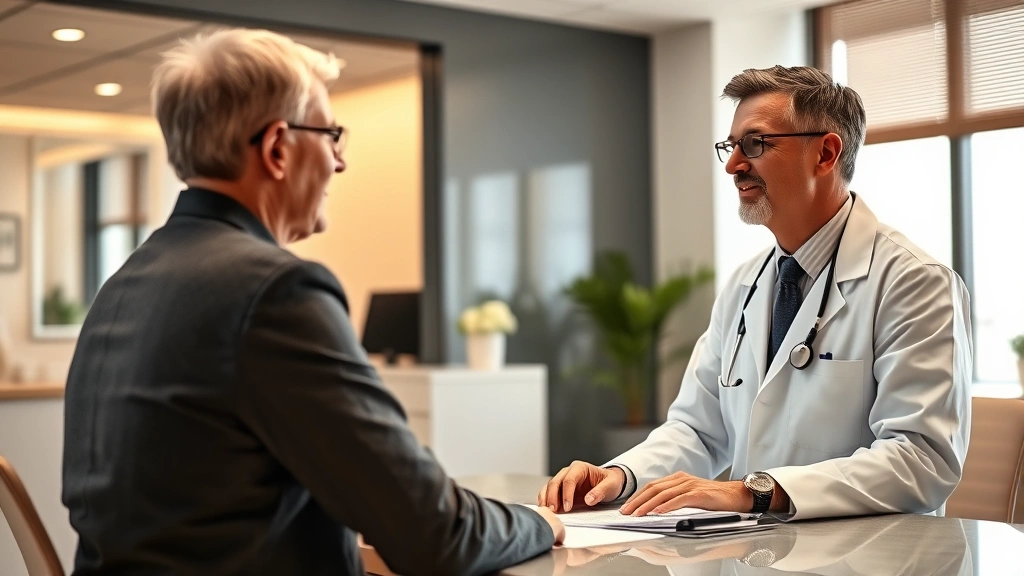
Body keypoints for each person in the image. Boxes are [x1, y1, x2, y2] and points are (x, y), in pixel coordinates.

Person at [62, 28, 562, 575]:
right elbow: (436, 537)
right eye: (331, 135)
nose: (339, 162)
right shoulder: (274, 292)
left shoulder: (123, 285)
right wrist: (541, 522)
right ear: (278, 148)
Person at [539, 65, 972, 521]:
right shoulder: (745, 285)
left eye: (755, 144)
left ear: (825, 153)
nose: (732, 165)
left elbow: (922, 459)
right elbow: (698, 430)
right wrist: (622, 475)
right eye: (730, 146)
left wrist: (759, 491)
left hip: (870, 558)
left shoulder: (913, 281)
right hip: (757, 553)